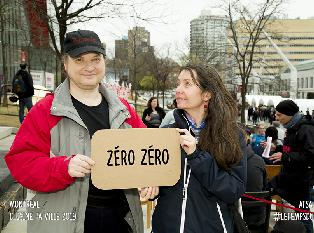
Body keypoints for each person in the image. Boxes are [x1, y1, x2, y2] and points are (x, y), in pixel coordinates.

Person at [5, 29, 157, 233]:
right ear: (66, 64)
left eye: (95, 59)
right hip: (64, 222)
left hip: (121, 219)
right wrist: (63, 167)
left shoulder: (125, 110)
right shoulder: (46, 111)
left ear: (104, 62)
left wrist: (150, 180)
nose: (89, 67)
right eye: (79, 60)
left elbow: (148, 155)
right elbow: (21, 163)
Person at [152, 63, 247, 233]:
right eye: (178, 83)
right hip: (166, 226)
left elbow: (234, 189)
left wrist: (197, 156)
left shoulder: (231, 135)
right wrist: (153, 188)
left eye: (187, 84)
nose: (178, 89)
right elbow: (161, 182)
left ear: (207, 94)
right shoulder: (168, 133)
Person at [269, 99, 314, 233]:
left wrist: (284, 157)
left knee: (303, 214)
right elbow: (292, 148)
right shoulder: (293, 127)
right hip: (292, 177)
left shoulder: (306, 128)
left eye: (279, 115)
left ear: (289, 114)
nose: (276, 117)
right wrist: (277, 148)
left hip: (303, 179)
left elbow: (311, 156)